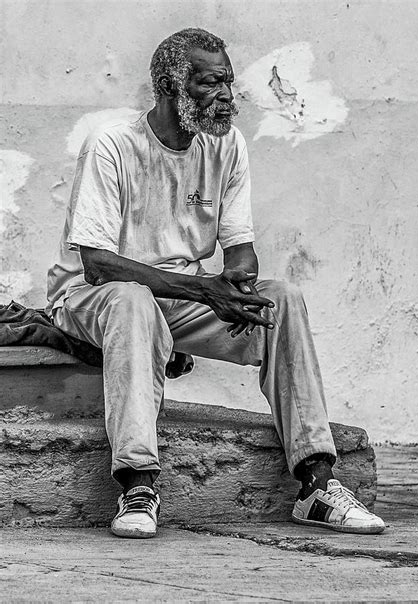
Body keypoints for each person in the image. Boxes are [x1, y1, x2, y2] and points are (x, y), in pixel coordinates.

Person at [47, 28, 385, 538]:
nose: (227, 95)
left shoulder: (225, 144)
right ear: (169, 85)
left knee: (282, 299)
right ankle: (137, 484)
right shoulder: (113, 145)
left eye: (227, 82)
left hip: (181, 297)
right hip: (95, 299)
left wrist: (237, 280)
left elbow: (240, 247)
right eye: (210, 83)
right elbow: (98, 264)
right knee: (134, 301)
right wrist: (205, 290)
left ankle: (317, 485)